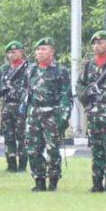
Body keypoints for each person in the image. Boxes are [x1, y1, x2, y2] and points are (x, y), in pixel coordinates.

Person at [75, 30, 106, 193]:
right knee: (96, 149)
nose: (97, 46)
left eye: (100, 43)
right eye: (94, 43)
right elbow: (80, 85)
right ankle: (97, 183)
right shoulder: (88, 65)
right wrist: (85, 96)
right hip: (93, 113)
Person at [23, 37, 71, 192]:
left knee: (52, 149)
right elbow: (26, 89)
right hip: (34, 114)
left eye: (43, 49)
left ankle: (53, 181)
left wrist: (64, 116)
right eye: (38, 49)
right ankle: (39, 181)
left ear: (52, 52)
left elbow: (66, 95)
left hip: (52, 113)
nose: (39, 52)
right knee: (32, 149)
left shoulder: (61, 70)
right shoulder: (31, 69)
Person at [0, 40, 29, 173]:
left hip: (21, 105)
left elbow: (30, 86)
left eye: (14, 52)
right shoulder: (4, 69)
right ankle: (11, 165)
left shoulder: (28, 68)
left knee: (22, 136)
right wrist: (1, 90)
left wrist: (18, 91)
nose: (11, 55)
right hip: (7, 105)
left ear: (21, 52)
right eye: (9, 53)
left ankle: (22, 165)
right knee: (8, 136)